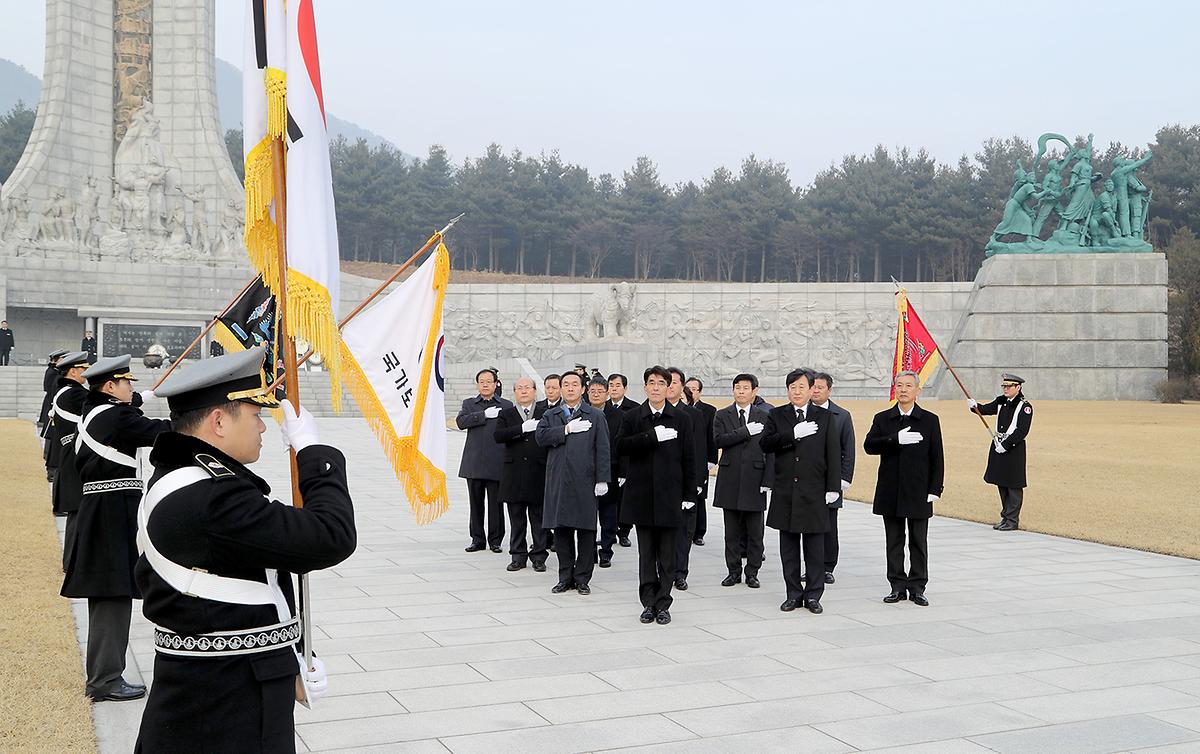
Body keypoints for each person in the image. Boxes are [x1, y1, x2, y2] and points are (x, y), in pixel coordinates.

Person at [135, 346, 356, 752]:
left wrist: (289, 659)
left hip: (223, 686)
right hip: (221, 708)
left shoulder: (187, 477)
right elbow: (331, 535)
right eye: (256, 416)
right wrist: (312, 453)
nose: (263, 428)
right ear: (219, 420)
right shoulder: (210, 496)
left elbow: (238, 592)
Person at [62, 354, 168, 702]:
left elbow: (133, 411)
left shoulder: (97, 411)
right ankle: (105, 679)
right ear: (110, 386)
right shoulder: (115, 416)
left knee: (112, 594)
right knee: (112, 595)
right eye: (126, 382)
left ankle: (106, 674)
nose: (131, 387)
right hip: (111, 512)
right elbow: (160, 434)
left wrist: (144, 398)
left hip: (104, 509)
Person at [615, 366, 695, 625]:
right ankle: (648, 603)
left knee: (668, 554)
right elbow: (621, 446)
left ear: (671, 387)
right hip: (642, 495)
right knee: (646, 554)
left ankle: (664, 603)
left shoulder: (681, 419)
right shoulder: (633, 417)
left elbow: (689, 458)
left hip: (670, 495)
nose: (657, 387)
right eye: (652, 382)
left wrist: (689, 493)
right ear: (645, 387)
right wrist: (650, 436)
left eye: (662, 382)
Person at [760, 368, 840, 615]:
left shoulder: (824, 416)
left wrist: (833, 487)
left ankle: (814, 595)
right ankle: (793, 594)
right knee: (789, 547)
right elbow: (766, 443)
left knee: (815, 547)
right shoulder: (777, 415)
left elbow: (833, 454)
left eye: (802, 387)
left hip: (815, 491)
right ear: (788, 390)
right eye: (792, 387)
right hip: (786, 491)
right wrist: (791, 434)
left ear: (811, 389)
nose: (797, 391)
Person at [863, 370, 945, 606]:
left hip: (919, 490)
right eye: (899, 385)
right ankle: (897, 585)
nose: (903, 389)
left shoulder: (929, 420)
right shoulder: (883, 418)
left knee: (918, 541)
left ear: (918, 391)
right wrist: (894, 439)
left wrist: (935, 488)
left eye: (909, 386)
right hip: (891, 489)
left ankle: (918, 586)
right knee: (894, 541)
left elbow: (936, 457)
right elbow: (869, 446)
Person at [536, 371, 610, 595]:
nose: (570, 388)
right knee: (562, 531)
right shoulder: (551, 414)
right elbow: (541, 437)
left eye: (574, 384)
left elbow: (603, 449)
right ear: (560, 388)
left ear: (583, 388)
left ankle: (583, 578)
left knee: (586, 531)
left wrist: (602, 479)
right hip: (558, 480)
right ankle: (564, 576)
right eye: (565, 384)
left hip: (585, 481)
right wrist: (565, 429)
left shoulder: (595, 416)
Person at [712, 373, 772, 588]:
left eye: (745, 388)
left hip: (755, 479)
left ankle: (753, 572)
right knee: (732, 532)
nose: (741, 391)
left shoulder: (764, 416)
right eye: (737, 387)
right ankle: (733, 571)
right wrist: (744, 431)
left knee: (756, 532)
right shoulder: (722, 415)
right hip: (730, 478)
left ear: (754, 391)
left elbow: (770, 450)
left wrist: (768, 479)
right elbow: (719, 441)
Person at [493, 377, 549, 571]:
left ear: (535, 391)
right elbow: (498, 436)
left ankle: (539, 556)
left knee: (539, 519)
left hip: (538, 472)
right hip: (514, 474)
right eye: (519, 388)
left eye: (527, 388)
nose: (523, 391)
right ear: (514, 392)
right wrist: (521, 429)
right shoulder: (506, 414)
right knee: (516, 518)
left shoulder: (545, 413)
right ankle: (517, 555)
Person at [456, 368, 513, 553]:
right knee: (476, 503)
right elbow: (461, 422)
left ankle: (495, 540)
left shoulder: (505, 405)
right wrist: (483, 415)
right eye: (482, 381)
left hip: (497, 462)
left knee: (496, 504)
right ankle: (477, 539)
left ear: (496, 383)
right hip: (474, 462)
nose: (486, 384)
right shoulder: (470, 404)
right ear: (478, 384)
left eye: (489, 381)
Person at [968, 373, 1033, 531]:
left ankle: (1012, 520)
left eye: (1009, 386)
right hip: (998, 445)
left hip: (1013, 448)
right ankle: (1005, 517)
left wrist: (1007, 444)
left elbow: (1022, 431)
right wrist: (974, 405)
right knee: (1002, 482)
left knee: (1013, 485)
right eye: (1004, 386)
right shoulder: (1001, 401)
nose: (1005, 389)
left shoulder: (1025, 406)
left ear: (1018, 387)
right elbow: (985, 410)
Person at [810, 372, 856, 584]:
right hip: (807, 479)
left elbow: (849, 449)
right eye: (813, 387)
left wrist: (843, 479)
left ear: (829, 390)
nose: (816, 391)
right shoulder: (802, 412)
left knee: (829, 524)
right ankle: (811, 566)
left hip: (831, 479)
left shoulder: (842, 415)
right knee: (808, 525)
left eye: (820, 387)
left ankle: (828, 566)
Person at [667, 367, 704, 591]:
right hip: (661, 484)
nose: (670, 386)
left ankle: (680, 572)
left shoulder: (693, 415)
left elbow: (698, 452)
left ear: (682, 387)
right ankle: (663, 569)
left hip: (684, 484)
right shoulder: (653, 413)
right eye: (665, 382)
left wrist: (696, 484)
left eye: (674, 382)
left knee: (683, 532)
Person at [49, 351, 90, 550]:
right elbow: (100, 404)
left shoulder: (66, 391)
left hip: (70, 452)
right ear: (73, 372)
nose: (87, 373)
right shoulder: (75, 393)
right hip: (76, 452)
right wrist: (138, 399)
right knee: (79, 510)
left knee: (78, 511)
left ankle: (73, 558)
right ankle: (74, 559)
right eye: (84, 369)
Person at [588, 376, 624, 568]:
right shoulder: (581, 413)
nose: (596, 394)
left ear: (607, 393)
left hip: (610, 470)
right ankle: (590, 551)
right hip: (586, 472)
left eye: (600, 391)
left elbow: (622, 446)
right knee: (588, 515)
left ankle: (606, 551)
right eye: (592, 391)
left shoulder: (618, 416)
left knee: (609, 515)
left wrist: (623, 472)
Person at [684, 377, 718, 547]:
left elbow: (711, 438)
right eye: (687, 388)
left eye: (694, 389)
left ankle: (699, 532)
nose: (690, 391)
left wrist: (711, 460)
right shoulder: (681, 410)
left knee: (699, 497)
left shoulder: (709, 410)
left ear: (699, 392)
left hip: (702, 459)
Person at [39, 348, 69, 434]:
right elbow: (50, 389)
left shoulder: (54, 371)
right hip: (51, 403)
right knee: (50, 431)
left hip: (51, 401)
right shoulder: (53, 372)